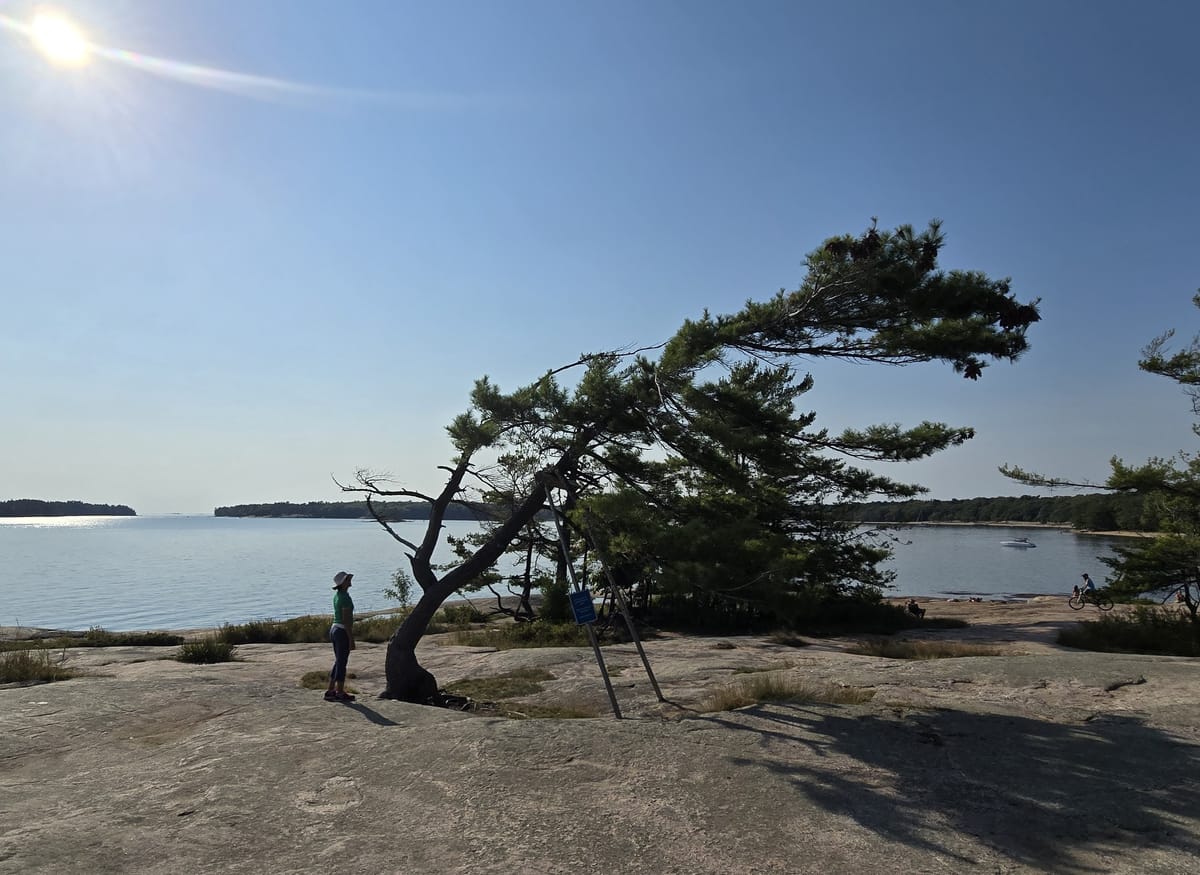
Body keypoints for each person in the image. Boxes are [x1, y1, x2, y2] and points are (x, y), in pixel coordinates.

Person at [325, 571, 356, 702]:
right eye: (348, 579)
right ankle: (340, 692)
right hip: (341, 631)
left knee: (338, 661)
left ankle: (331, 690)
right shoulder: (345, 598)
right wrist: (351, 639)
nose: (350, 580)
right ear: (344, 583)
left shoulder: (338, 595)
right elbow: (346, 621)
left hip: (334, 629)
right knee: (342, 663)